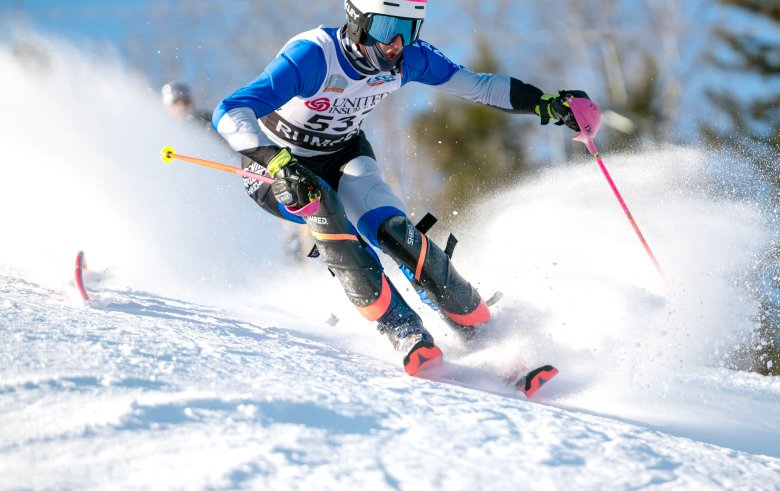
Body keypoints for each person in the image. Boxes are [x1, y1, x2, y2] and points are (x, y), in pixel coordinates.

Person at [212, 0, 591, 375]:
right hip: (276, 167)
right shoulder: (314, 56)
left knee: (396, 232)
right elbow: (230, 109)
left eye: (408, 30)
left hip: (343, 154)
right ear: (358, 22)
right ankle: (403, 330)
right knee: (324, 206)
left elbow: (479, 86)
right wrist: (277, 163)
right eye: (386, 28)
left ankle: (483, 331)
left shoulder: (410, 58)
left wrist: (545, 103)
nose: (397, 43)